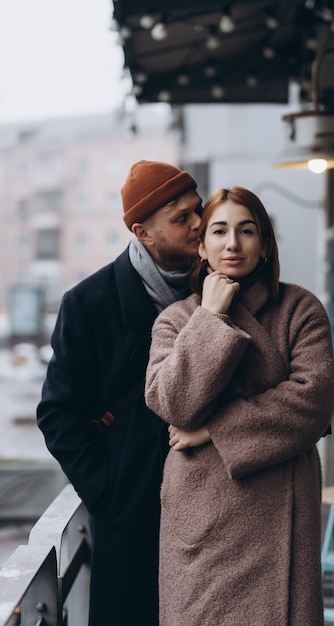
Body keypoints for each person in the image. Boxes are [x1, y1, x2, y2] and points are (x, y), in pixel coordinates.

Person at [145, 186, 334, 625]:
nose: (233, 243)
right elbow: (173, 402)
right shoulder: (176, 319)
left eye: (247, 231)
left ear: (265, 244)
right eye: (220, 231)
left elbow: (313, 399)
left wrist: (215, 430)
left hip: (281, 513)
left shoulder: (300, 309)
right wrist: (210, 318)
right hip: (201, 518)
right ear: (201, 245)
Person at [36, 160, 202, 626]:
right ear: (142, 233)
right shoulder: (89, 304)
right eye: (181, 218)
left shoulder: (222, 286)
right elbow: (57, 413)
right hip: (135, 519)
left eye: (199, 210)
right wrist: (111, 493)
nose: (198, 225)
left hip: (219, 513)